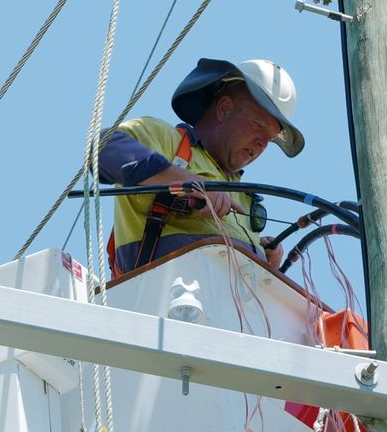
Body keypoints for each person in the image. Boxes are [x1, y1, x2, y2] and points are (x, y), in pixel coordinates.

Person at [97, 57, 305, 275]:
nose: (262, 143)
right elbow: (104, 148)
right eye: (257, 126)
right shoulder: (169, 141)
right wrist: (188, 182)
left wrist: (260, 256)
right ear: (224, 108)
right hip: (161, 299)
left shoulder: (244, 197)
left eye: (269, 139)